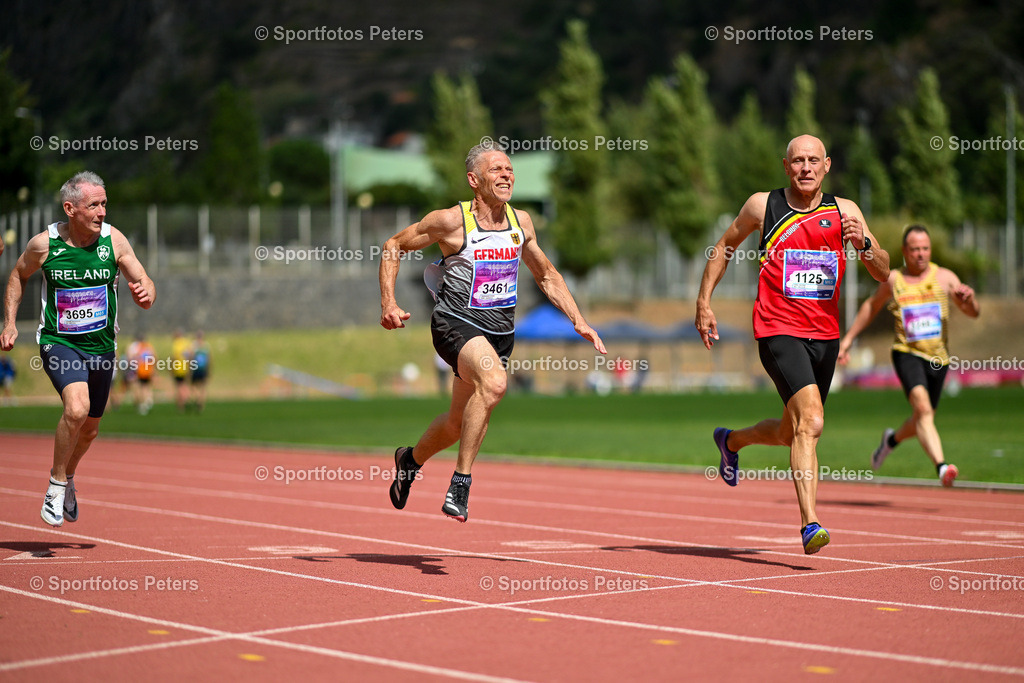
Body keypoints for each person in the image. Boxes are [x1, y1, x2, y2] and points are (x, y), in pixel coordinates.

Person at [379, 143, 606, 522]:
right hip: (455, 323)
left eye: (510, 169)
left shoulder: (522, 223)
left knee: (457, 422)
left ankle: (409, 460)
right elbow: (393, 245)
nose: (506, 175)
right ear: (474, 180)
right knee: (496, 383)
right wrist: (388, 302)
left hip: (499, 332)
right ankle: (461, 483)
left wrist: (577, 318)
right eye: (496, 170)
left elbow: (546, 275)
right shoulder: (452, 222)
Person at [695, 135, 889, 554]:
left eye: (813, 160)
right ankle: (810, 524)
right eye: (797, 161)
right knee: (813, 422)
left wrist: (866, 245)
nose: (805, 167)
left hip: (825, 336)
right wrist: (704, 301)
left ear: (827, 165)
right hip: (777, 329)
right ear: (786, 166)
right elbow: (725, 246)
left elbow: (882, 271)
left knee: (791, 430)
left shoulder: (845, 211)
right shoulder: (763, 206)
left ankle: (731, 442)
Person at [1, 171, 155, 527]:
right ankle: (55, 484)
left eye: (104, 203)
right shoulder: (45, 245)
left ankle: (69, 477)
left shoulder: (114, 241)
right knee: (77, 408)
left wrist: (146, 291)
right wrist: (9, 322)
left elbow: (143, 280)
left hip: (102, 347)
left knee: (90, 429)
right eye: (93, 205)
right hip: (60, 342)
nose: (102, 211)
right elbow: (18, 275)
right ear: (70, 208)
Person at [838, 225, 979, 486]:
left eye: (925, 248)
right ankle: (942, 466)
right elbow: (871, 306)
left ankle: (890, 441)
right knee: (923, 410)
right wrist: (847, 340)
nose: (921, 254)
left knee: (922, 419)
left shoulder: (945, 277)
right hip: (907, 352)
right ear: (905, 251)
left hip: (938, 358)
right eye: (915, 249)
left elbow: (973, 312)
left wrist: (968, 300)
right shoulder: (893, 279)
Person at [127, 332, 156, 414]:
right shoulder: (148, 346)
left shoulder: (134, 347)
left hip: (138, 370)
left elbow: (130, 358)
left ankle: (141, 404)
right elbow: (154, 357)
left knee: (138, 387)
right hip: (147, 369)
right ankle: (148, 401)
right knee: (146, 386)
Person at [188, 329, 211, 412]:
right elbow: (209, 359)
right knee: (203, 387)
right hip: (203, 369)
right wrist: (209, 370)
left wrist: (189, 368)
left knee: (193, 386)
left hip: (196, 368)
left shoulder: (194, 345)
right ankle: (201, 404)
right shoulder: (206, 346)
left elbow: (191, 357)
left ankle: (198, 398)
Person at [170, 328, 191, 411]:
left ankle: (181, 405)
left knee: (179, 386)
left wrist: (171, 368)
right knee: (184, 385)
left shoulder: (176, 343)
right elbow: (190, 356)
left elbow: (174, 357)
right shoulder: (186, 343)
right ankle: (185, 398)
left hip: (178, 368)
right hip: (185, 367)